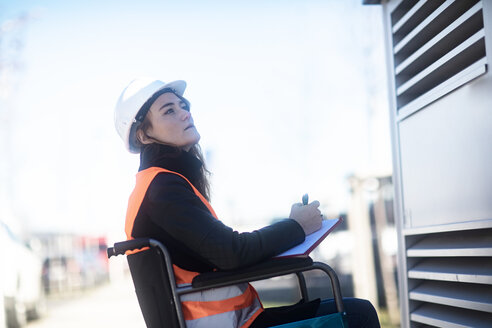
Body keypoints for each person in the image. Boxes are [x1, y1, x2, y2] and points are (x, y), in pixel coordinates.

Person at [114, 78, 380, 328]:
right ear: (144, 135)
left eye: (184, 106)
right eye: (169, 111)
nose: (185, 113)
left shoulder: (160, 185)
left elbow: (225, 252)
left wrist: (293, 230)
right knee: (358, 314)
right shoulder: (162, 188)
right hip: (232, 324)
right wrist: (296, 227)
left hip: (238, 319)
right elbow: (232, 253)